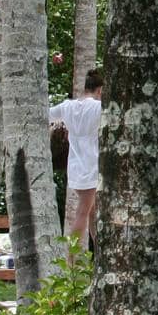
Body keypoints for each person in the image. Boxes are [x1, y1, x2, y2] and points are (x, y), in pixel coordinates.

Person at [49, 68, 104, 247]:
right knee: (83, 212)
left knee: (91, 211)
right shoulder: (98, 107)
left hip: (74, 164)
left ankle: (99, 249)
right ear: (100, 90)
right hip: (91, 165)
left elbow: (47, 114)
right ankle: (71, 258)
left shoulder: (67, 106)